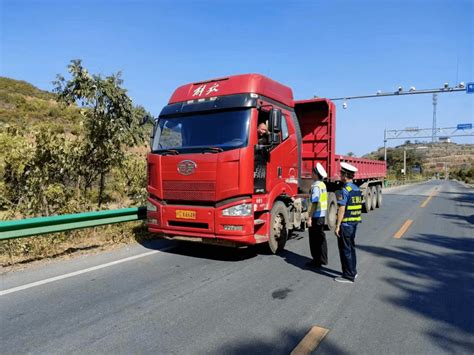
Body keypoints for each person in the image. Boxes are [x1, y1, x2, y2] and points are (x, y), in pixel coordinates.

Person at [334, 162, 362, 283]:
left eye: (341, 173)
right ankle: (353, 271)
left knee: (345, 249)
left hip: (345, 224)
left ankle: (348, 275)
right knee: (351, 248)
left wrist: (337, 225)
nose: (340, 175)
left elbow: (342, 209)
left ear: (345, 175)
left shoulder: (345, 190)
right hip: (354, 223)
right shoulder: (356, 189)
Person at [306, 163, 328, 268]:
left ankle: (316, 261)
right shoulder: (322, 185)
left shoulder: (315, 186)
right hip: (322, 215)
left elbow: (314, 203)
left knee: (314, 240)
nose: (311, 174)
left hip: (315, 216)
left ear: (316, 174)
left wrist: (309, 218)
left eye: (312, 172)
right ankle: (323, 259)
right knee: (321, 238)